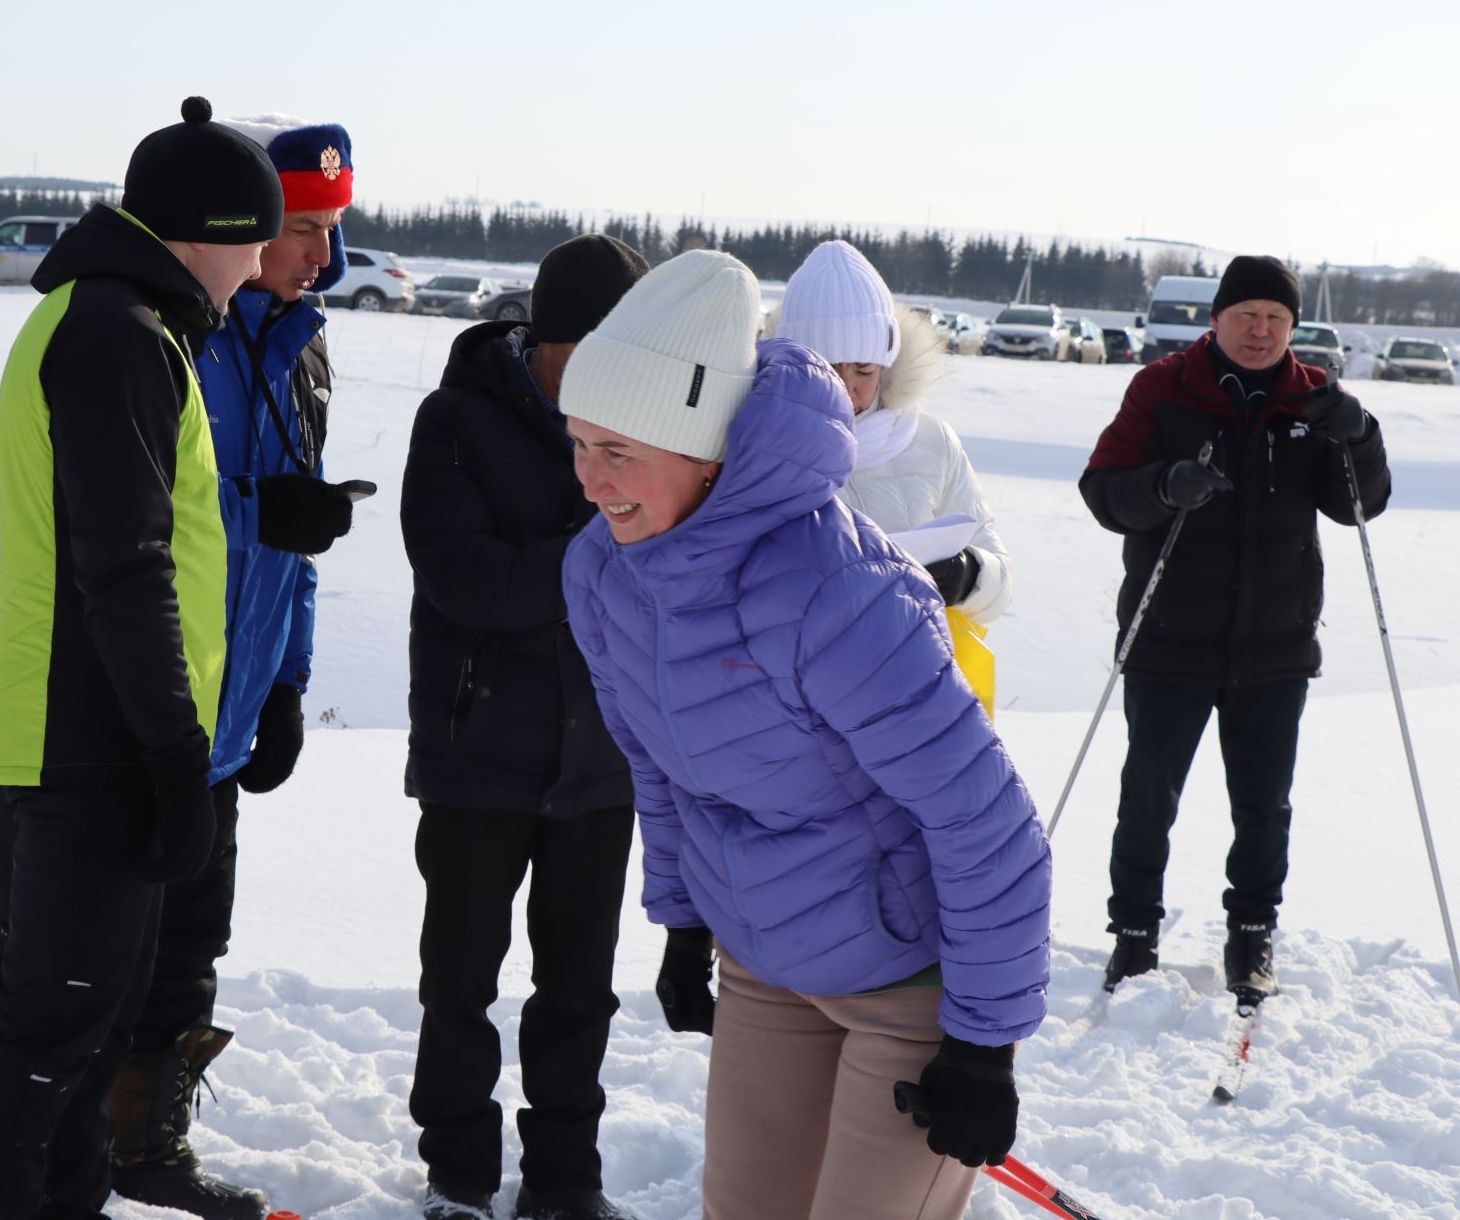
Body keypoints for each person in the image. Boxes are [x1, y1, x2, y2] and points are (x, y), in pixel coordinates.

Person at [559, 250, 1051, 1220]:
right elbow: (661, 768)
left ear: (704, 450)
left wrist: (984, 1044)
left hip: (909, 981)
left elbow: (985, 820)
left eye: (619, 450)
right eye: (578, 442)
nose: (589, 481)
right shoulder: (605, 573)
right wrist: (684, 916)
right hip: (763, 961)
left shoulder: (835, 588)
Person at [0, 97, 285, 1220]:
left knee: (75, 1043)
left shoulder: (128, 323)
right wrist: (176, 756)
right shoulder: (114, 335)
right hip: (91, 746)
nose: (264, 260)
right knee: (47, 1040)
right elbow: (125, 568)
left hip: (92, 735)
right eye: (256, 235)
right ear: (205, 229)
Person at [104, 115, 363, 1220]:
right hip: (133, 699)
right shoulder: (171, 332)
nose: (320, 253)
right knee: (101, 938)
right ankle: (63, 1144)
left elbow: (292, 549)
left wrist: (290, 682)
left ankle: (146, 1140)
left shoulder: (300, 345)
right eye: (303, 226)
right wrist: (271, 509)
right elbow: (147, 521)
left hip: (232, 699)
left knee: (192, 936)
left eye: (331, 228)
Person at [401, 234, 651, 1220]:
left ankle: (565, 1178)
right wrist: (599, 555)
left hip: (603, 757)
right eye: (594, 353)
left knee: (579, 989)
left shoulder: (649, 432)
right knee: (458, 981)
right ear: (548, 341)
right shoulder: (456, 419)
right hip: (477, 751)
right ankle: (457, 1174)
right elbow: (464, 578)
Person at [1081, 254, 1390, 1003]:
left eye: (1275, 319)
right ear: (1215, 320)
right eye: (1246, 316)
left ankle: (1251, 936)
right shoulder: (1162, 388)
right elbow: (1103, 491)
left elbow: (1359, 507)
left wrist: (1359, 434)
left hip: (1274, 644)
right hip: (1168, 639)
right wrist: (1164, 484)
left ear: (1294, 328)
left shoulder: (1315, 400)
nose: (1260, 331)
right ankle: (1133, 937)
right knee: (1148, 797)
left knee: (1264, 806)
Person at [771, 240, 1012, 625]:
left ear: (886, 363)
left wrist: (969, 575)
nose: (848, 389)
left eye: (864, 370)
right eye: (829, 370)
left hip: (914, 671)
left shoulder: (932, 442)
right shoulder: (754, 444)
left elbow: (999, 577)